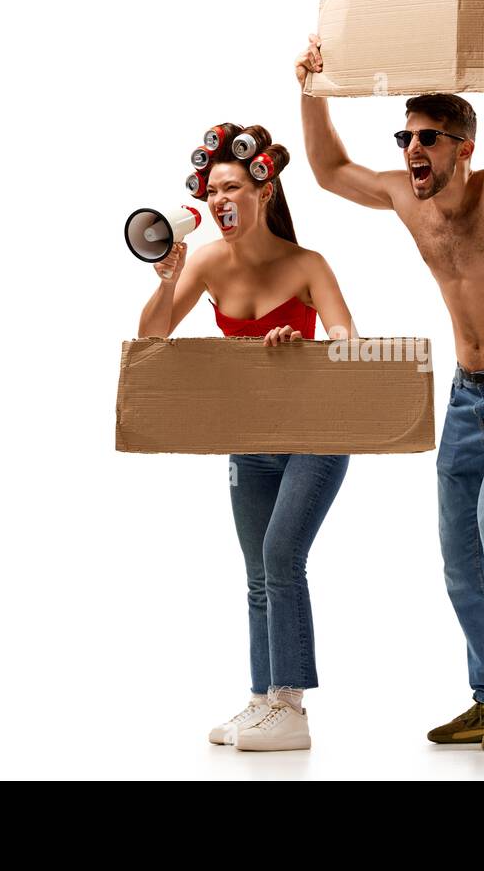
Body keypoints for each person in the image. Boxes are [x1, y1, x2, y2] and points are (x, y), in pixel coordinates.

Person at [295, 13, 484, 749]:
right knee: (459, 548)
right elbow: (329, 172)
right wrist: (311, 88)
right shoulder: (407, 197)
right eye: (403, 139)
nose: (410, 151)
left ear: (463, 147)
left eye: (425, 138)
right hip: (467, 397)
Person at [138, 124, 355, 752]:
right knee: (258, 570)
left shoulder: (308, 265)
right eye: (212, 194)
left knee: (283, 557)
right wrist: (164, 280)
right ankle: (262, 700)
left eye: (231, 187)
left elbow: (345, 337)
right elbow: (152, 342)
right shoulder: (205, 261)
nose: (220, 202)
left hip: (315, 432)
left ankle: (292, 707)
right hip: (251, 435)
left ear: (264, 188)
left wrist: (308, 346)